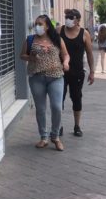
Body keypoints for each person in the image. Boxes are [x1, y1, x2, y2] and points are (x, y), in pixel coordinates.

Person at [20, 14, 70, 151]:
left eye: (40, 24)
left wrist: (66, 63)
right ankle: (43, 137)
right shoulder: (30, 39)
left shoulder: (57, 39)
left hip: (56, 77)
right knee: (41, 109)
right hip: (37, 78)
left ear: (47, 26)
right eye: (36, 24)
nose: (37, 26)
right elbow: (22, 55)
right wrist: (31, 57)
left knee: (57, 107)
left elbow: (65, 54)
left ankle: (55, 136)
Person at [57, 9, 95, 137]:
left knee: (76, 98)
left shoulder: (84, 34)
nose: (67, 19)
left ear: (78, 20)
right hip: (60, 72)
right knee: (59, 99)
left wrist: (92, 72)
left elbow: (89, 54)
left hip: (77, 72)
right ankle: (59, 125)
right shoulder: (59, 30)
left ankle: (77, 126)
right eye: (66, 17)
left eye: (71, 17)